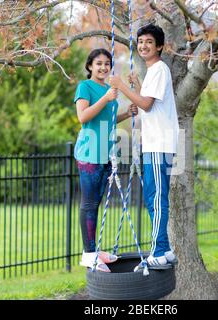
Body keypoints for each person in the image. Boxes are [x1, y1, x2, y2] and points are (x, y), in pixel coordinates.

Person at [110, 24, 179, 268]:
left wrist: (122, 87)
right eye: (140, 42)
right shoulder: (152, 72)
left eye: (149, 41)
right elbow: (147, 103)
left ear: (159, 46)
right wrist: (137, 85)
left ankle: (159, 250)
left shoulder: (160, 69)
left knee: (157, 197)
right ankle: (165, 250)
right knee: (152, 196)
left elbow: (147, 105)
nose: (143, 46)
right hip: (152, 144)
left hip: (160, 143)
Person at [74, 48, 138, 272]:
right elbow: (83, 117)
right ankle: (88, 254)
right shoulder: (85, 87)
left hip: (106, 153)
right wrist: (106, 98)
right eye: (98, 63)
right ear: (90, 66)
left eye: (107, 63)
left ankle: (93, 250)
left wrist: (125, 113)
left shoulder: (109, 90)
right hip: (90, 153)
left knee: (96, 204)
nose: (103, 67)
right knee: (89, 204)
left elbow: (108, 119)